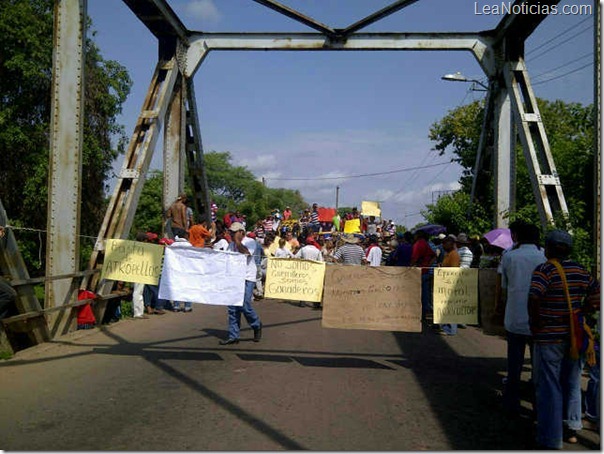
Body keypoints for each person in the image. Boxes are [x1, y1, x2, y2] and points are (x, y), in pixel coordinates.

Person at [528, 229, 600, 449]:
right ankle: (572, 428)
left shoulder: (544, 270)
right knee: (572, 383)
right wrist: (582, 311)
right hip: (576, 336)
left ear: (548, 248)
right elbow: (596, 295)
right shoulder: (580, 270)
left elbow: (534, 297)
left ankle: (551, 438)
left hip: (550, 337)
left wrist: (536, 322)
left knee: (550, 386)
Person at [499, 222, 546, 415]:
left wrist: (499, 309)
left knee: (514, 363)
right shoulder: (544, 256)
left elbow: (504, 288)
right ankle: (539, 404)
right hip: (540, 319)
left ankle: (511, 402)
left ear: (516, 236)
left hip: (515, 317)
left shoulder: (509, 256)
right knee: (539, 365)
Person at [220, 222, 263, 345]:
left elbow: (246, 254)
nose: (232, 234)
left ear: (241, 232)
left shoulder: (250, 242)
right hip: (235, 277)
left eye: (234, 232)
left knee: (244, 304)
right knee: (233, 307)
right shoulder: (231, 245)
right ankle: (234, 336)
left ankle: (256, 324)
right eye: (231, 232)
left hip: (247, 277)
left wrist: (238, 242)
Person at [411, 229, 437, 323]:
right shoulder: (425, 244)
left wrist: (410, 267)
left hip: (419, 272)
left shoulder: (418, 244)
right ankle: (423, 315)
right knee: (425, 294)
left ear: (418, 236)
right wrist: (428, 265)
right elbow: (434, 256)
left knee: (416, 295)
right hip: (425, 272)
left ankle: (418, 315)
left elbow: (414, 258)